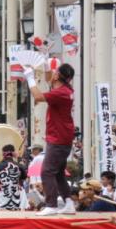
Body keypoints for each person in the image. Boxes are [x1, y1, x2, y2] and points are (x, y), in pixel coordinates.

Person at [25, 62, 75, 215]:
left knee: (46, 172)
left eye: (55, 71)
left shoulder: (60, 93)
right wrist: (46, 66)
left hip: (58, 138)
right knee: (58, 172)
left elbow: (38, 96)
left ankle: (51, 205)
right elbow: (49, 80)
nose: (52, 73)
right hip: (63, 136)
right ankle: (68, 202)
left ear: (58, 75)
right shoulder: (65, 90)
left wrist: (30, 78)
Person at [0, 144, 23, 211]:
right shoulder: (19, 166)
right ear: (13, 154)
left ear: (3, 154)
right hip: (15, 203)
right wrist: (19, 157)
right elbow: (24, 171)